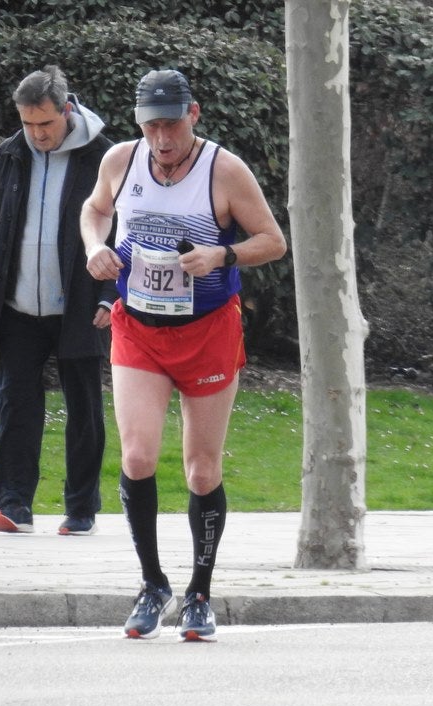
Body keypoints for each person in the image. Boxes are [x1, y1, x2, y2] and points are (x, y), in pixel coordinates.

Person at [80, 69, 287, 641]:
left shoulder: (223, 169)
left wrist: (222, 255)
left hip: (207, 331)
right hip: (139, 328)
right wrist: (96, 246)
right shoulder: (121, 161)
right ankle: (152, 585)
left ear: (193, 114)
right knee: (138, 456)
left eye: (172, 124)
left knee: (201, 469)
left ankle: (199, 593)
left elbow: (272, 240)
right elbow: (94, 210)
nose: (163, 138)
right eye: (152, 125)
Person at [0, 65, 113, 537]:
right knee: (15, 404)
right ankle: (13, 505)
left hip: (81, 305)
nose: (36, 134)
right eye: (28, 124)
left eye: (45, 124)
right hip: (17, 309)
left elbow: (126, 231)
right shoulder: (10, 154)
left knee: (85, 409)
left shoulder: (104, 156)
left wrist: (110, 296)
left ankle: (81, 509)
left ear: (67, 111)